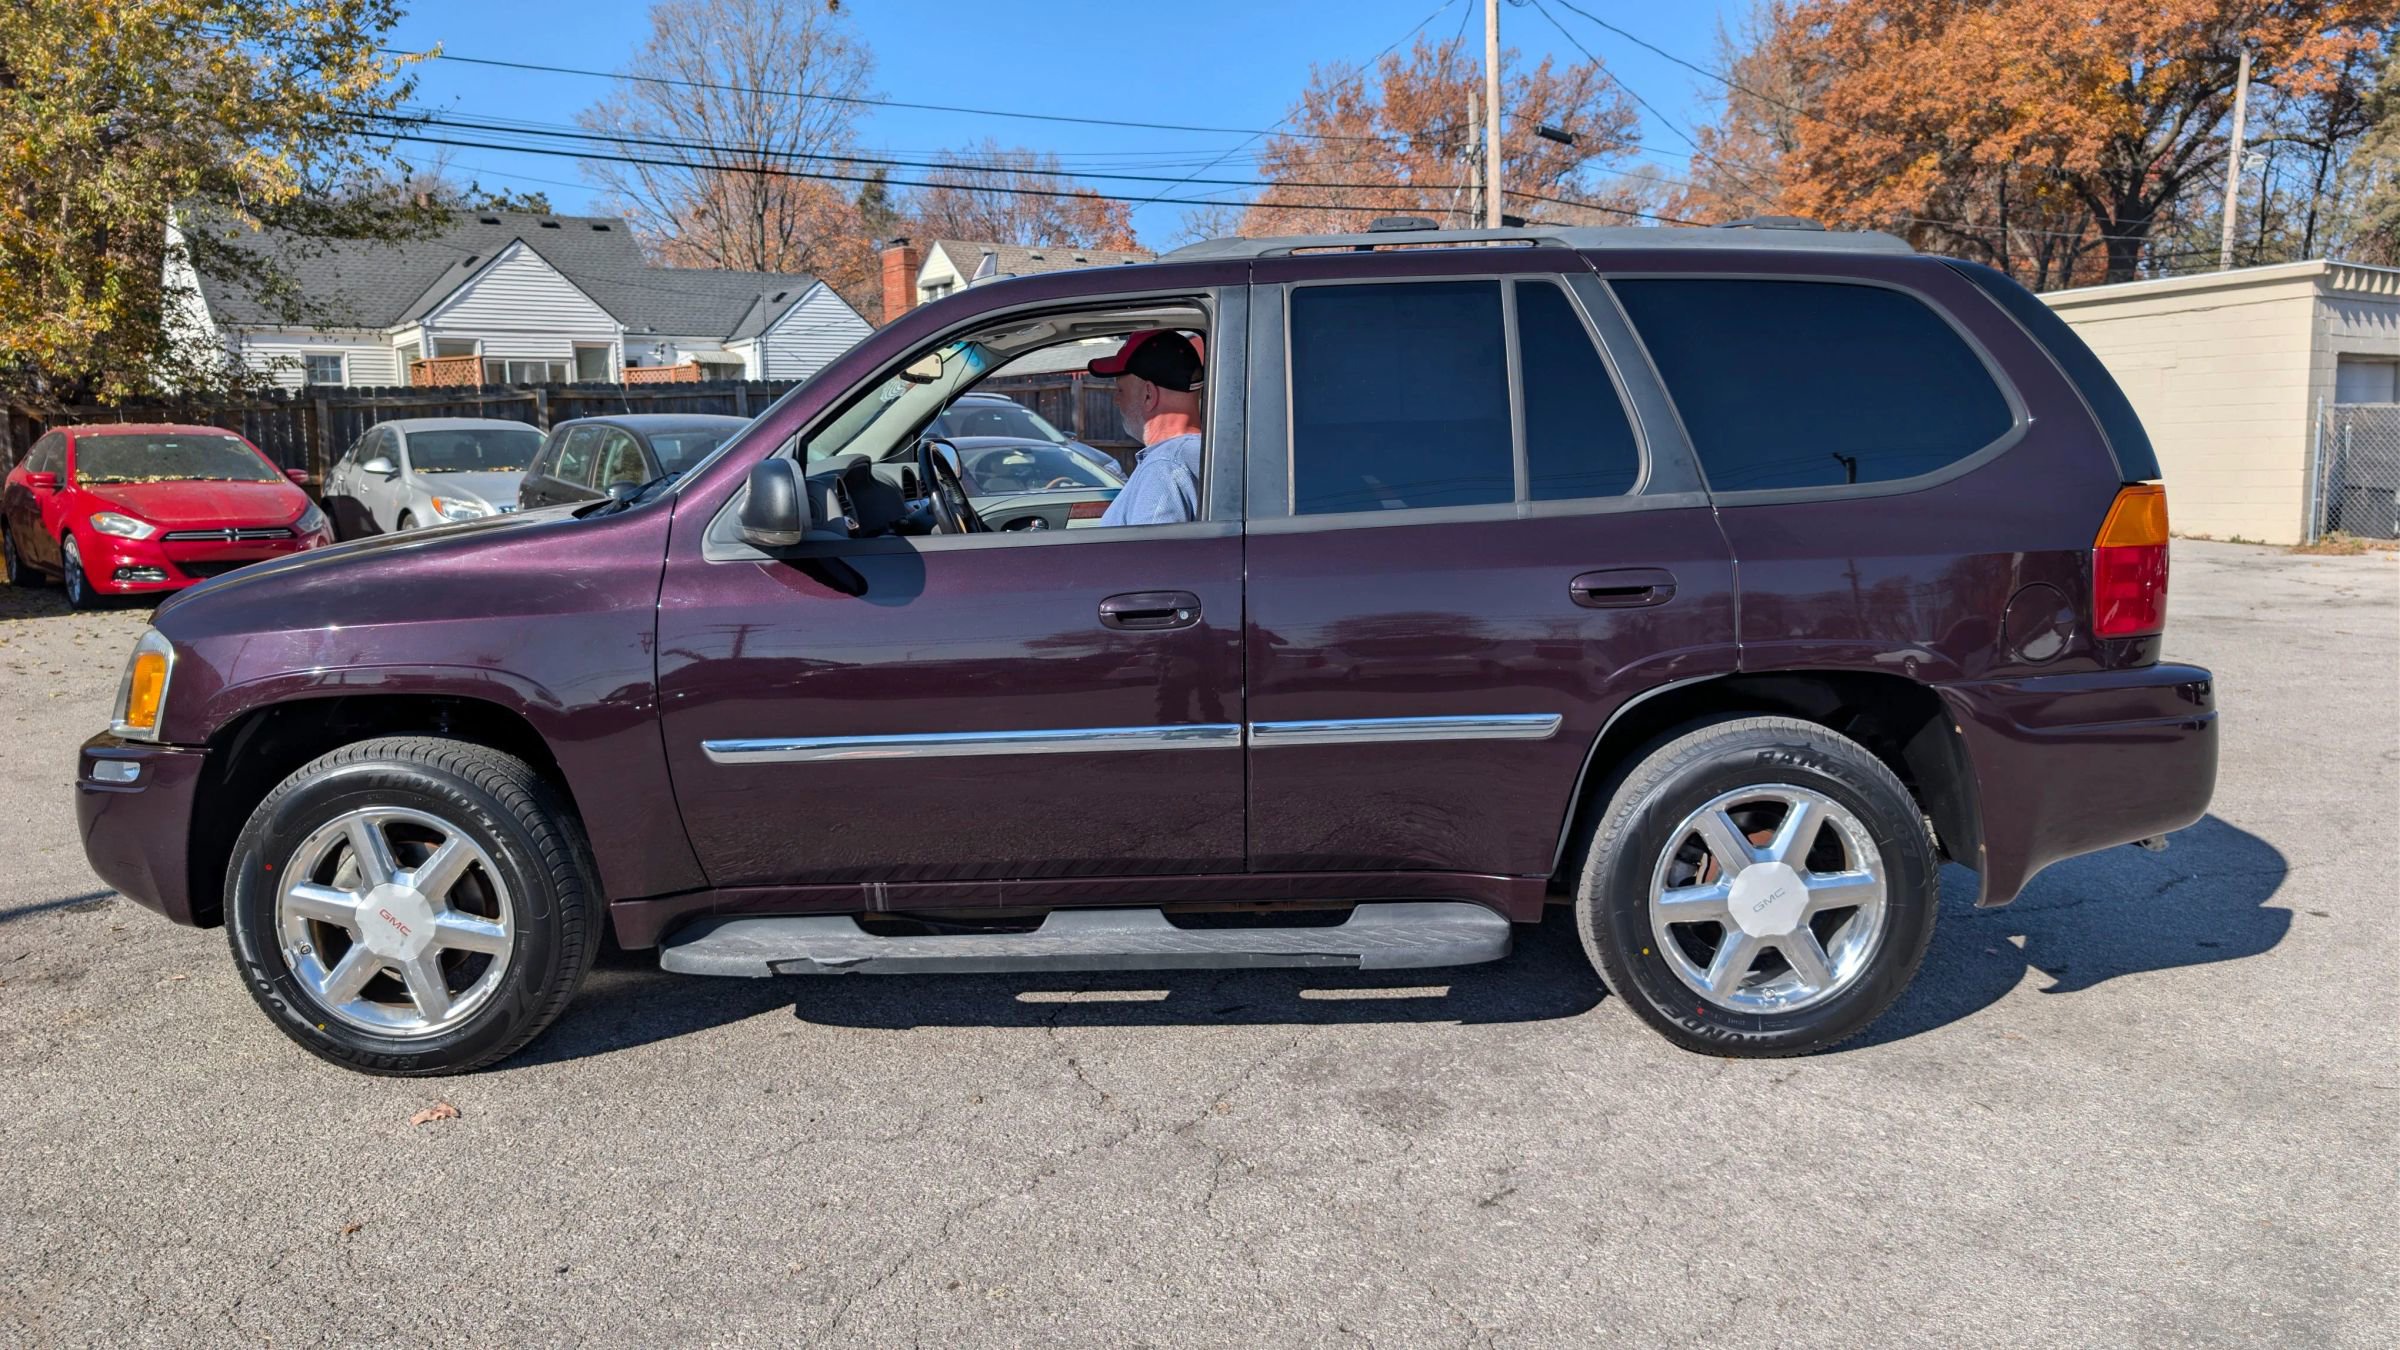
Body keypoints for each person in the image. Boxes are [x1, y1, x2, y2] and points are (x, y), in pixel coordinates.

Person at [1088, 329, 1205, 527]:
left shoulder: (1164, 467)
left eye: (1120, 390)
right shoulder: (1204, 454)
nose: (1116, 400)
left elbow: (1146, 556)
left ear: (1148, 395)